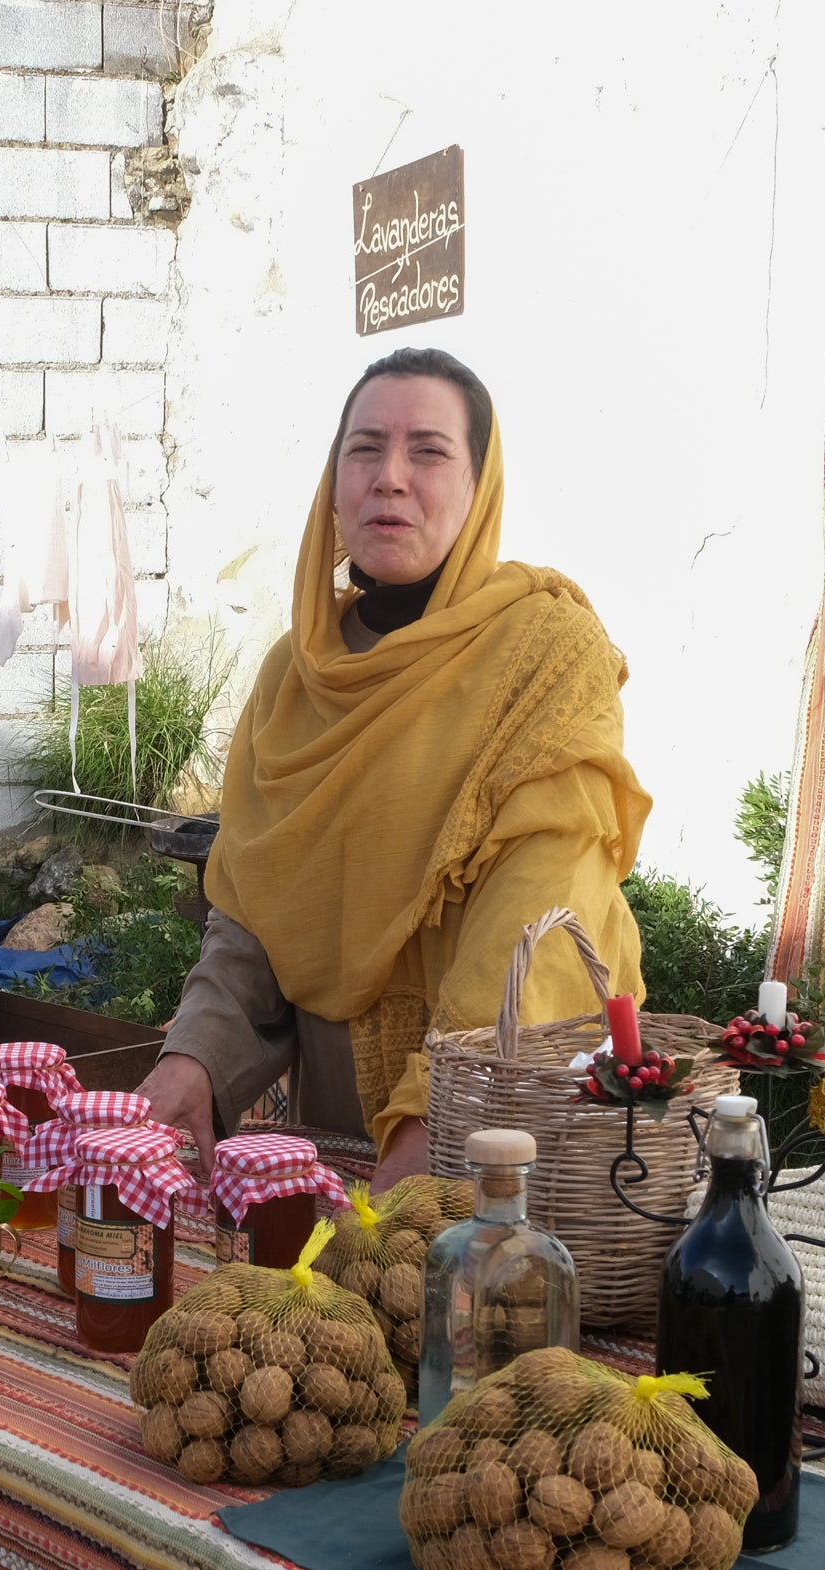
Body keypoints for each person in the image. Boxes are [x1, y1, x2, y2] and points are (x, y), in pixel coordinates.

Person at [141, 348, 650, 1191]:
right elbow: (254, 911)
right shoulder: (293, 676)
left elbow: (538, 902)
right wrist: (191, 1061)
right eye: (365, 448)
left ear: (478, 485)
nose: (389, 478)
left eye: (429, 451)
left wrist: (435, 1122)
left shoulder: (548, 654)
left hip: (501, 1122)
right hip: (337, 1124)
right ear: (333, 483)